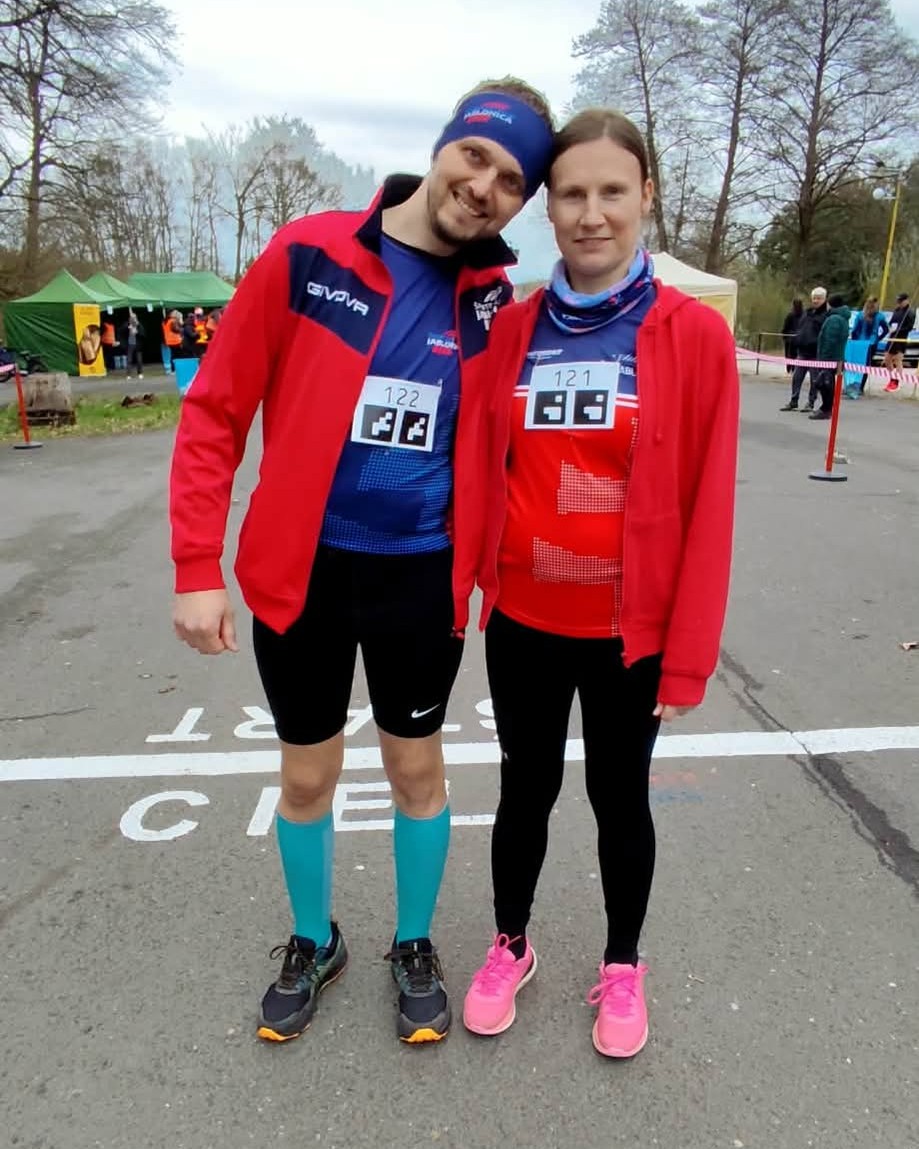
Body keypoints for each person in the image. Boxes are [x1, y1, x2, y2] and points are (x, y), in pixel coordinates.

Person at [168, 77, 555, 1046]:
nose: (485, 187)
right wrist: (195, 566)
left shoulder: (494, 303)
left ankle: (413, 943)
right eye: (476, 157)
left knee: (416, 769)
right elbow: (216, 411)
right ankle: (315, 939)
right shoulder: (309, 254)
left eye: (513, 181)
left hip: (419, 577)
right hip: (304, 572)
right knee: (305, 780)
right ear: (441, 148)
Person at [461, 107, 738, 1059]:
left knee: (620, 802)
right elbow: (478, 468)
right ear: (547, 206)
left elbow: (708, 506)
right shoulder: (513, 328)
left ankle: (622, 963)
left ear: (645, 196)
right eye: (571, 193)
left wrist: (687, 657)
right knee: (523, 791)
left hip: (630, 634)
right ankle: (509, 943)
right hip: (525, 620)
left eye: (611, 191)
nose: (590, 213)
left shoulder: (690, 335)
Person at [780, 286, 827, 411]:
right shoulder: (807, 313)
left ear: (824, 299)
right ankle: (793, 401)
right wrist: (796, 340)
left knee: (814, 380)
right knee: (797, 377)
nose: (816, 301)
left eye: (819, 298)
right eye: (814, 298)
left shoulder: (825, 316)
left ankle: (810, 403)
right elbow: (800, 329)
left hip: (815, 353)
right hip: (802, 351)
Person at [811, 293, 851, 418]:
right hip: (837, 357)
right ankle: (826, 408)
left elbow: (829, 340)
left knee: (825, 384)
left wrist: (823, 358)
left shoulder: (834, 319)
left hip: (829, 358)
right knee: (828, 383)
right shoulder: (842, 318)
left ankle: (826, 408)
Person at [849, 296, 888, 397]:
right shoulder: (880, 316)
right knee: (866, 366)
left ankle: (853, 385)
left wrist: (854, 340)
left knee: (856, 365)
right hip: (871, 344)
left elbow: (854, 330)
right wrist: (878, 338)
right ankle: (861, 388)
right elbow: (886, 330)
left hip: (859, 343)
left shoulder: (860, 315)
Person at [882, 291, 915, 392]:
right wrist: (890, 327)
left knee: (898, 359)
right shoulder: (897, 310)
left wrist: (898, 330)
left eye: (901, 301)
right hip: (893, 337)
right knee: (887, 359)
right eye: (898, 301)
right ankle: (893, 378)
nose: (899, 303)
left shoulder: (910, 312)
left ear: (906, 300)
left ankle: (896, 382)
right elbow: (891, 322)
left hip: (901, 338)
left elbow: (909, 327)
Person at [118, 309, 145, 379]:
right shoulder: (127, 324)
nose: (133, 319)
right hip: (130, 345)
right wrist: (127, 327)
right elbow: (121, 331)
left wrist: (137, 332)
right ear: (129, 318)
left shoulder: (139, 325)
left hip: (138, 345)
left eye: (134, 317)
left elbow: (143, 334)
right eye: (132, 318)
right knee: (129, 360)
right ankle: (128, 375)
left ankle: (140, 373)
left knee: (139, 360)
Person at [781, 298, 803, 373]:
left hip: (794, 338)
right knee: (792, 354)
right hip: (793, 338)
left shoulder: (793, 315)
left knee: (791, 354)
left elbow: (785, 327)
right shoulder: (792, 315)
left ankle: (791, 369)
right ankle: (791, 368)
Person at [161, 310, 183, 374]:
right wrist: (181, 324)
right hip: (176, 340)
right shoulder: (172, 321)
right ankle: (177, 369)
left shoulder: (164, 322)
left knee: (173, 355)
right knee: (178, 355)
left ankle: (173, 369)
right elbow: (177, 330)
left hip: (169, 340)